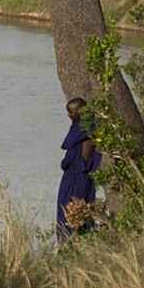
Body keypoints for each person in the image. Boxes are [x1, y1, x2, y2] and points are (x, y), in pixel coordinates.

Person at [56, 97, 102, 241]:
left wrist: (70, 164)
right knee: (69, 214)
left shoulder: (85, 130)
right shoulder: (81, 127)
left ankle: (72, 247)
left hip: (77, 178)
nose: (69, 116)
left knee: (72, 213)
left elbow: (84, 159)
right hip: (74, 175)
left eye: (71, 112)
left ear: (80, 112)